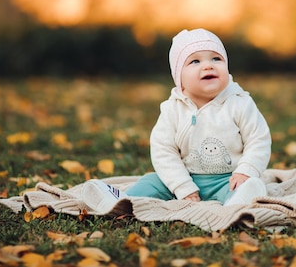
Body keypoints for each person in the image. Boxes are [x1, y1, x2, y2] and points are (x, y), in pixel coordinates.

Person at [82, 28, 272, 212]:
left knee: (249, 184)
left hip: (228, 178)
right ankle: (118, 199)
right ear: (179, 78)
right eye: (195, 61)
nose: (208, 65)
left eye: (216, 58)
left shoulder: (240, 103)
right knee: (151, 182)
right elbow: (163, 150)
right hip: (184, 175)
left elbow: (258, 139)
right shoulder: (173, 109)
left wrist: (246, 171)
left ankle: (239, 201)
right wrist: (182, 186)